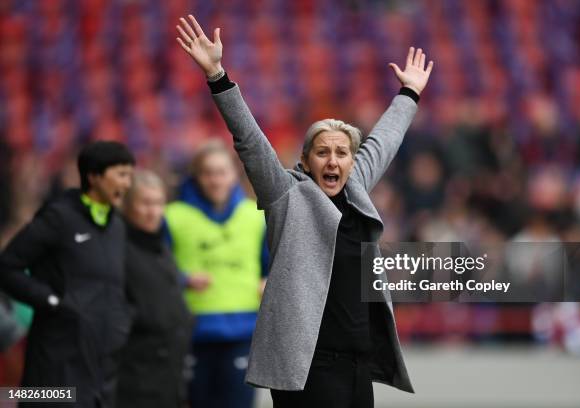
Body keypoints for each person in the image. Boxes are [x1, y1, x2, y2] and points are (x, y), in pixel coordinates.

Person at [176, 15, 433, 408]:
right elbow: (249, 139)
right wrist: (217, 75)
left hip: (357, 367)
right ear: (307, 160)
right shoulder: (286, 194)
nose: (333, 160)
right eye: (323, 152)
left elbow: (384, 141)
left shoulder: (356, 189)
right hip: (307, 369)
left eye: (342, 152)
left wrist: (409, 93)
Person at [0, 141, 135, 408]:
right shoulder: (58, 218)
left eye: (130, 175)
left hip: (100, 366)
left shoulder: (117, 226)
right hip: (56, 361)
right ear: (94, 177)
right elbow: (7, 266)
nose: (128, 184)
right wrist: (52, 302)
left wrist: (122, 320)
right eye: (121, 174)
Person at [164, 140, 268, 408]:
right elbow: (154, 269)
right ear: (196, 176)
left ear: (234, 174)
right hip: (191, 332)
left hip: (243, 330)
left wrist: (268, 281)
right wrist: (183, 279)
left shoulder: (255, 216)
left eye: (221, 172)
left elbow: (272, 266)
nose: (215, 180)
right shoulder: (172, 217)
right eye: (208, 173)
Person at [115, 170, 192, 408]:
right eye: (145, 203)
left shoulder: (159, 245)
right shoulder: (117, 249)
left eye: (159, 203)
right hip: (134, 378)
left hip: (168, 376)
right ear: (126, 205)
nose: (154, 212)